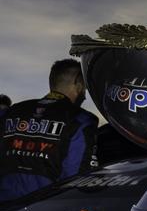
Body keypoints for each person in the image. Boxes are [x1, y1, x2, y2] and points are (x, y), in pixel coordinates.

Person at [0, 59, 99, 202]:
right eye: (84, 88)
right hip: (48, 209)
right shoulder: (81, 120)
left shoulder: (9, 113)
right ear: (78, 83)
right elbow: (79, 179)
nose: (84, 95)